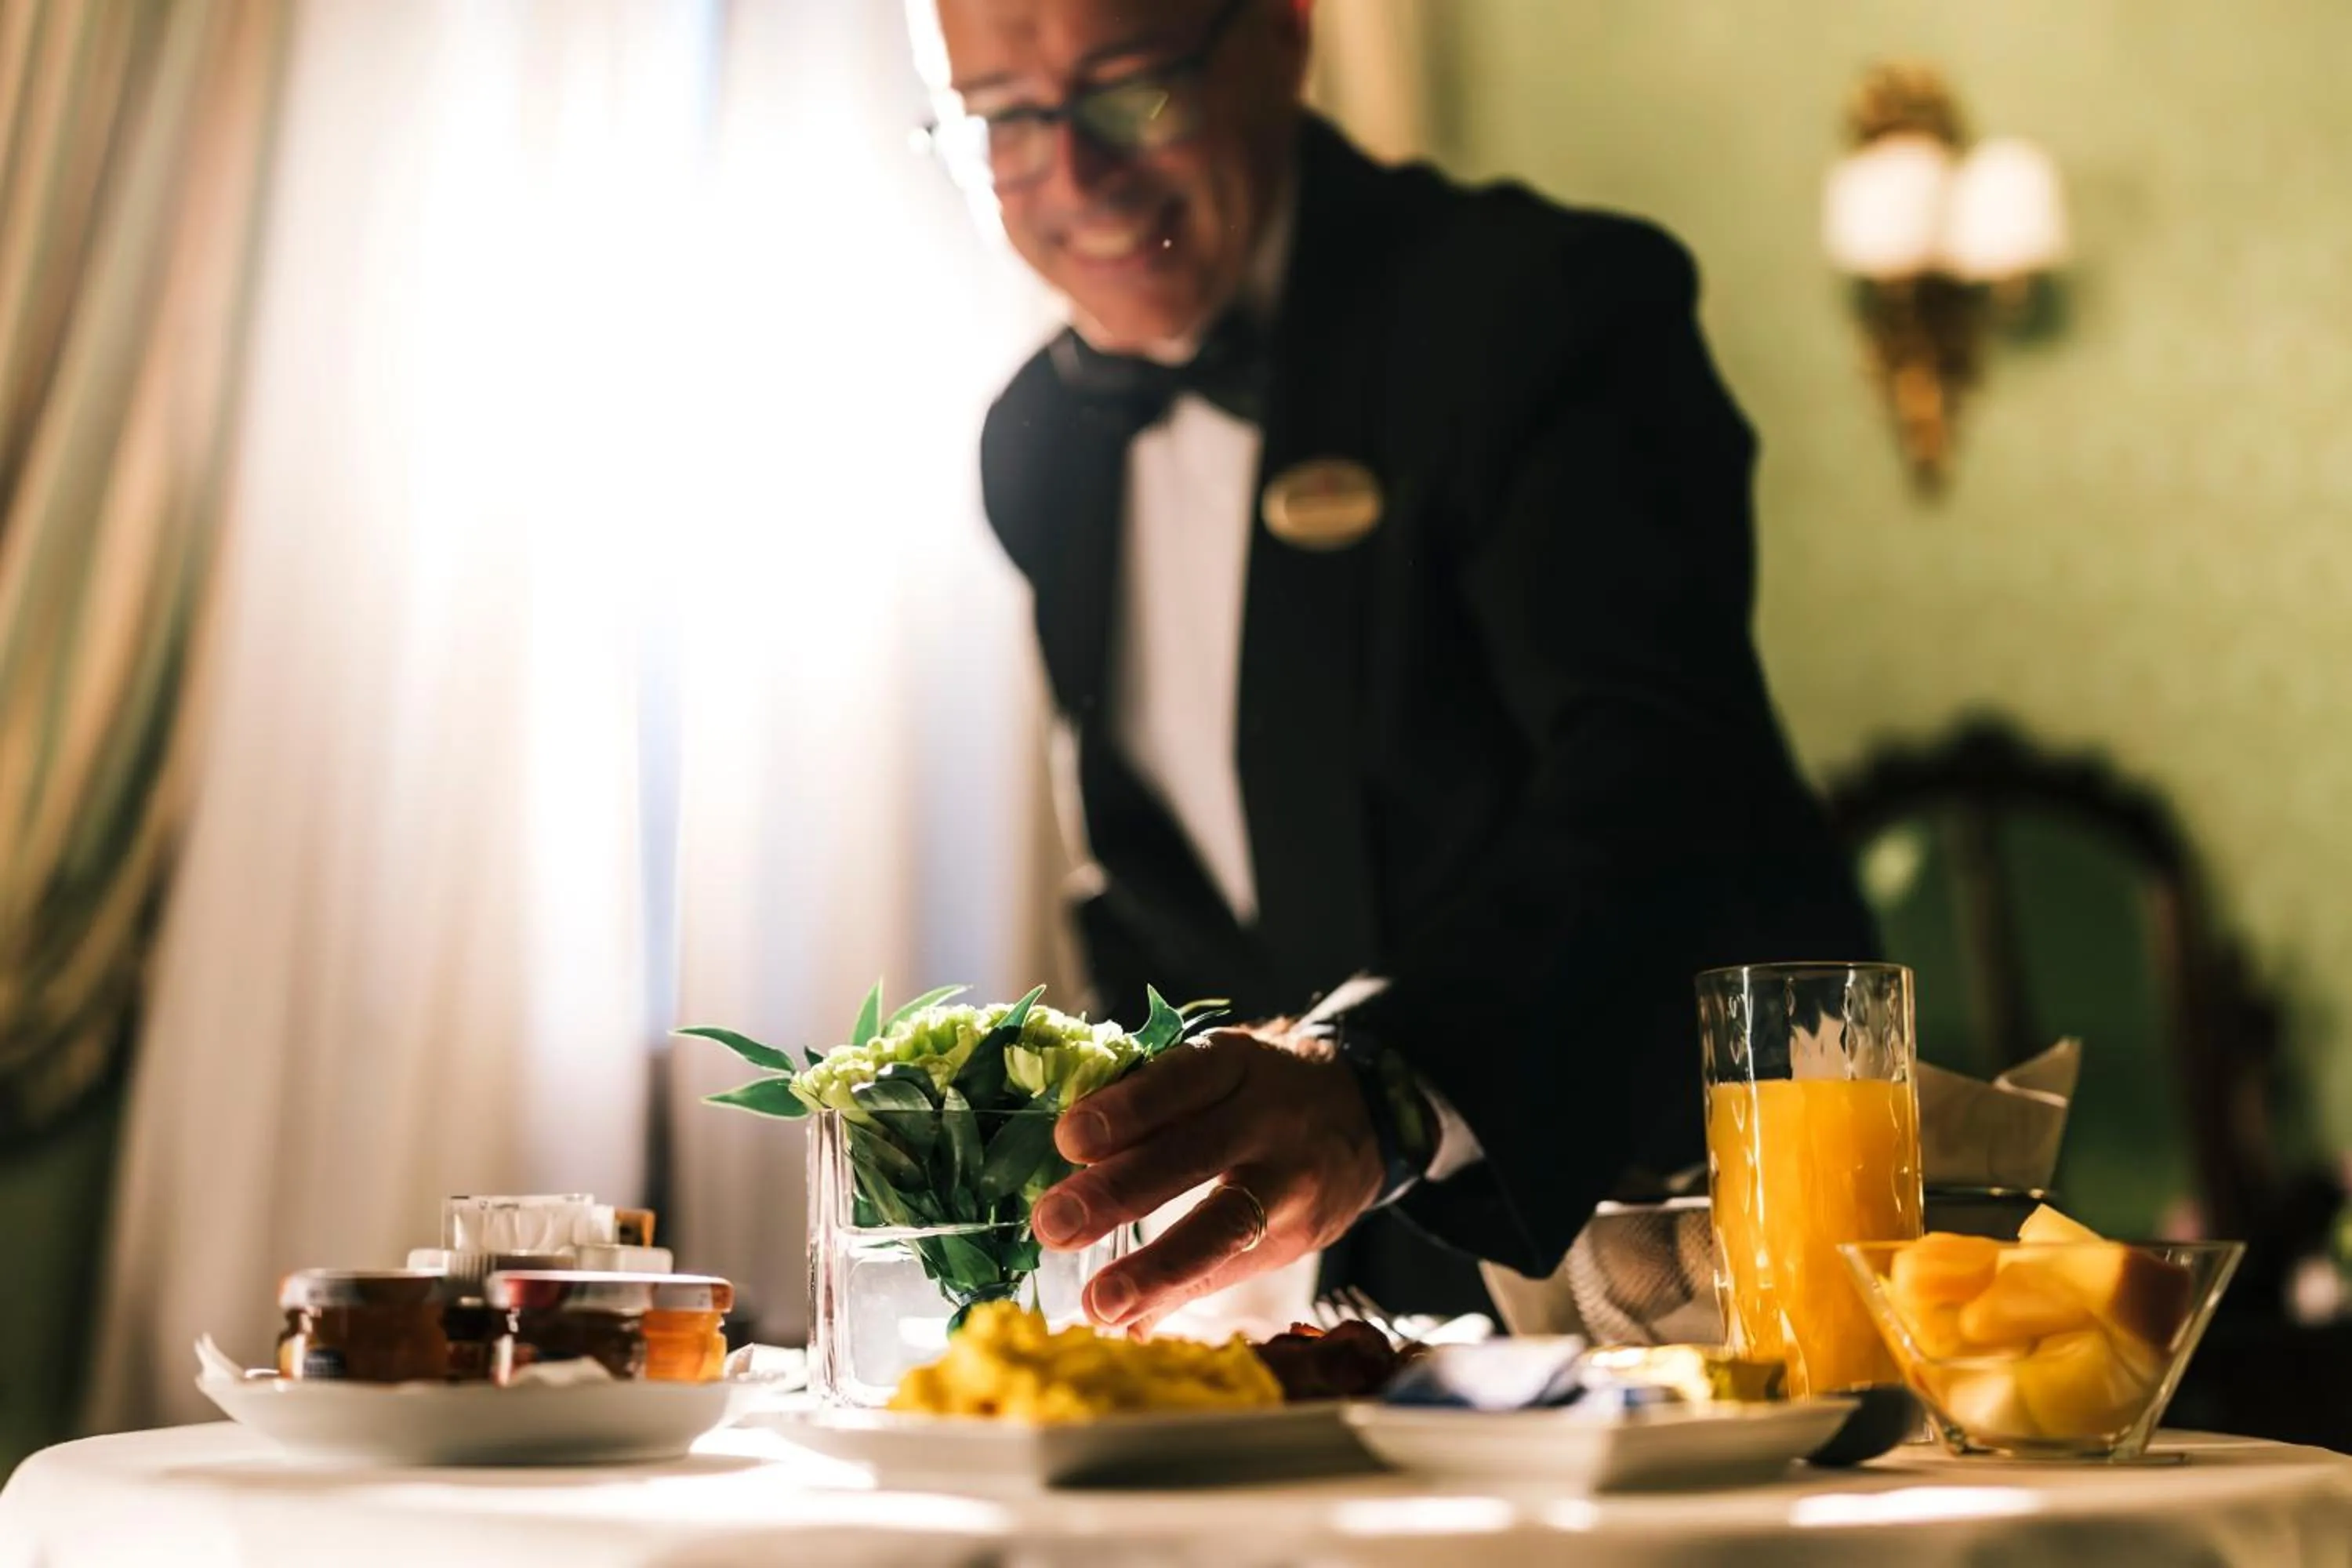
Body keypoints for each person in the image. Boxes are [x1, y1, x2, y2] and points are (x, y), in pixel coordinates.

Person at [916, 0, 1877, 1333]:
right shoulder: (1037, 443)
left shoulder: (1544, 308)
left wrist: (1373, 1091)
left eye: (1129, 88)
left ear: (1283, 33)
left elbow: (1659, 777)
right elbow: (1158, 874)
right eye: (1005, 119)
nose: (1073, 174)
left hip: (1677, 1229)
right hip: (1324, 1285)